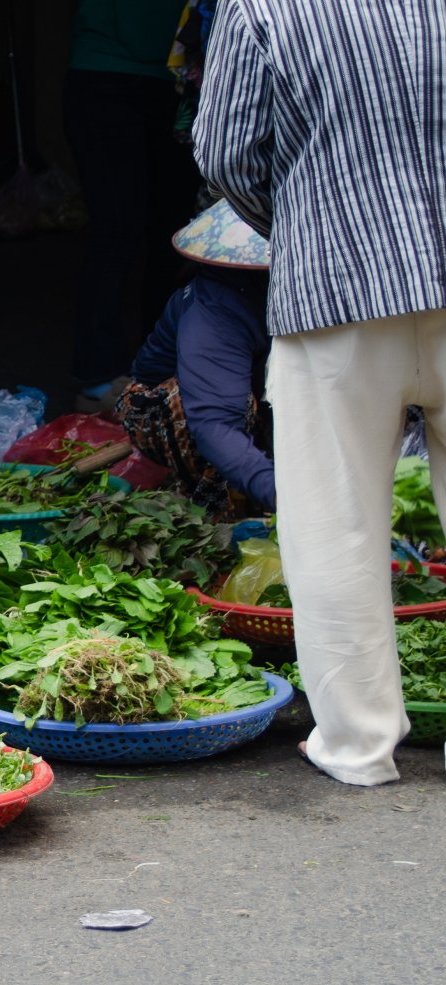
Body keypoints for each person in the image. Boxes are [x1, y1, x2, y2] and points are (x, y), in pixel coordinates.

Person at [195, 0, 446, 786]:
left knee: (334, 523)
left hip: (335, 287)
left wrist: (307, 221)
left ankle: (358, 745)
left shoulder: (263, 7)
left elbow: (226, 153)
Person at [64, 0, 199, 411]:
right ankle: (98, 376)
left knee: (171, 234)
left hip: (175, 81)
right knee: (116, 232)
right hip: (105, 73)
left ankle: (157, 369)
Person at [116, 199, 273, 519]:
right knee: (216, 411)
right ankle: (209, 512)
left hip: (256, 394)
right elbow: (216, 423)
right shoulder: (217, 307)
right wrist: (287, 496)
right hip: (169, 408)